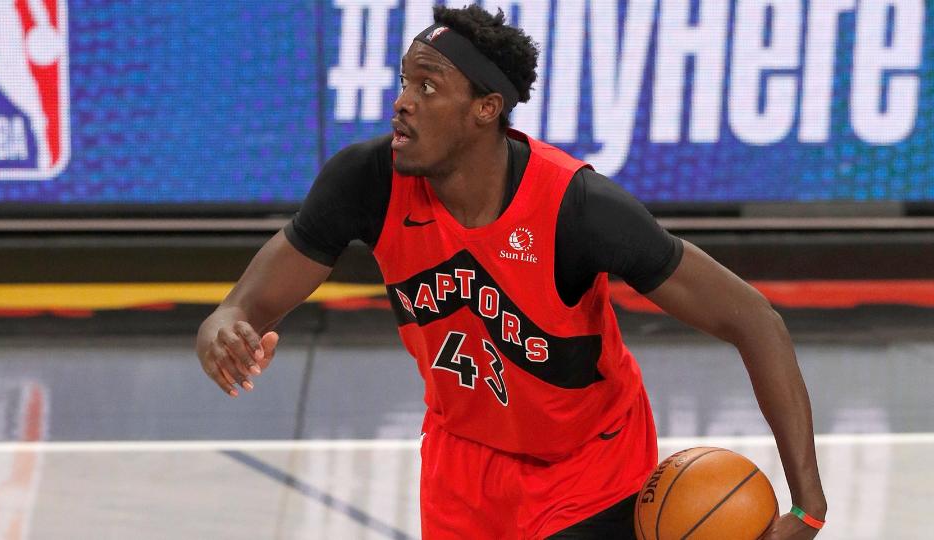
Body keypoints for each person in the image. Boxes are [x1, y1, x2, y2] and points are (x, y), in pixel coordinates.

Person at [196, 5, 826, 539]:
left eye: (428, 87)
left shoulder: (578, 209)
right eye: (404, 83)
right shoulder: (368, 182)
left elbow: (754, 319)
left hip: (588, 467)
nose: (402, 104)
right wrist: (224, 328)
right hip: (461, 467)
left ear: (486, 108)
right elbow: (244, 308)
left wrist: (805, 505)